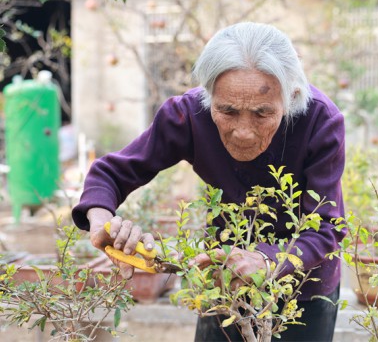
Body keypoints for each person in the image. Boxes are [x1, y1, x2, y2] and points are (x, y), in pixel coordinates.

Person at [72, 21, 346, 342]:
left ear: (292, 97)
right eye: (227, 111)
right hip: (222, 277)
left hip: (303, 284)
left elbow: (326, 227)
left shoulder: (320, 122)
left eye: (262, 114)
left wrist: (266, 260)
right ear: (207, 97)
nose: (243, 131)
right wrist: (101, 220)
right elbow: (110, 173)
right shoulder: (188, 116)